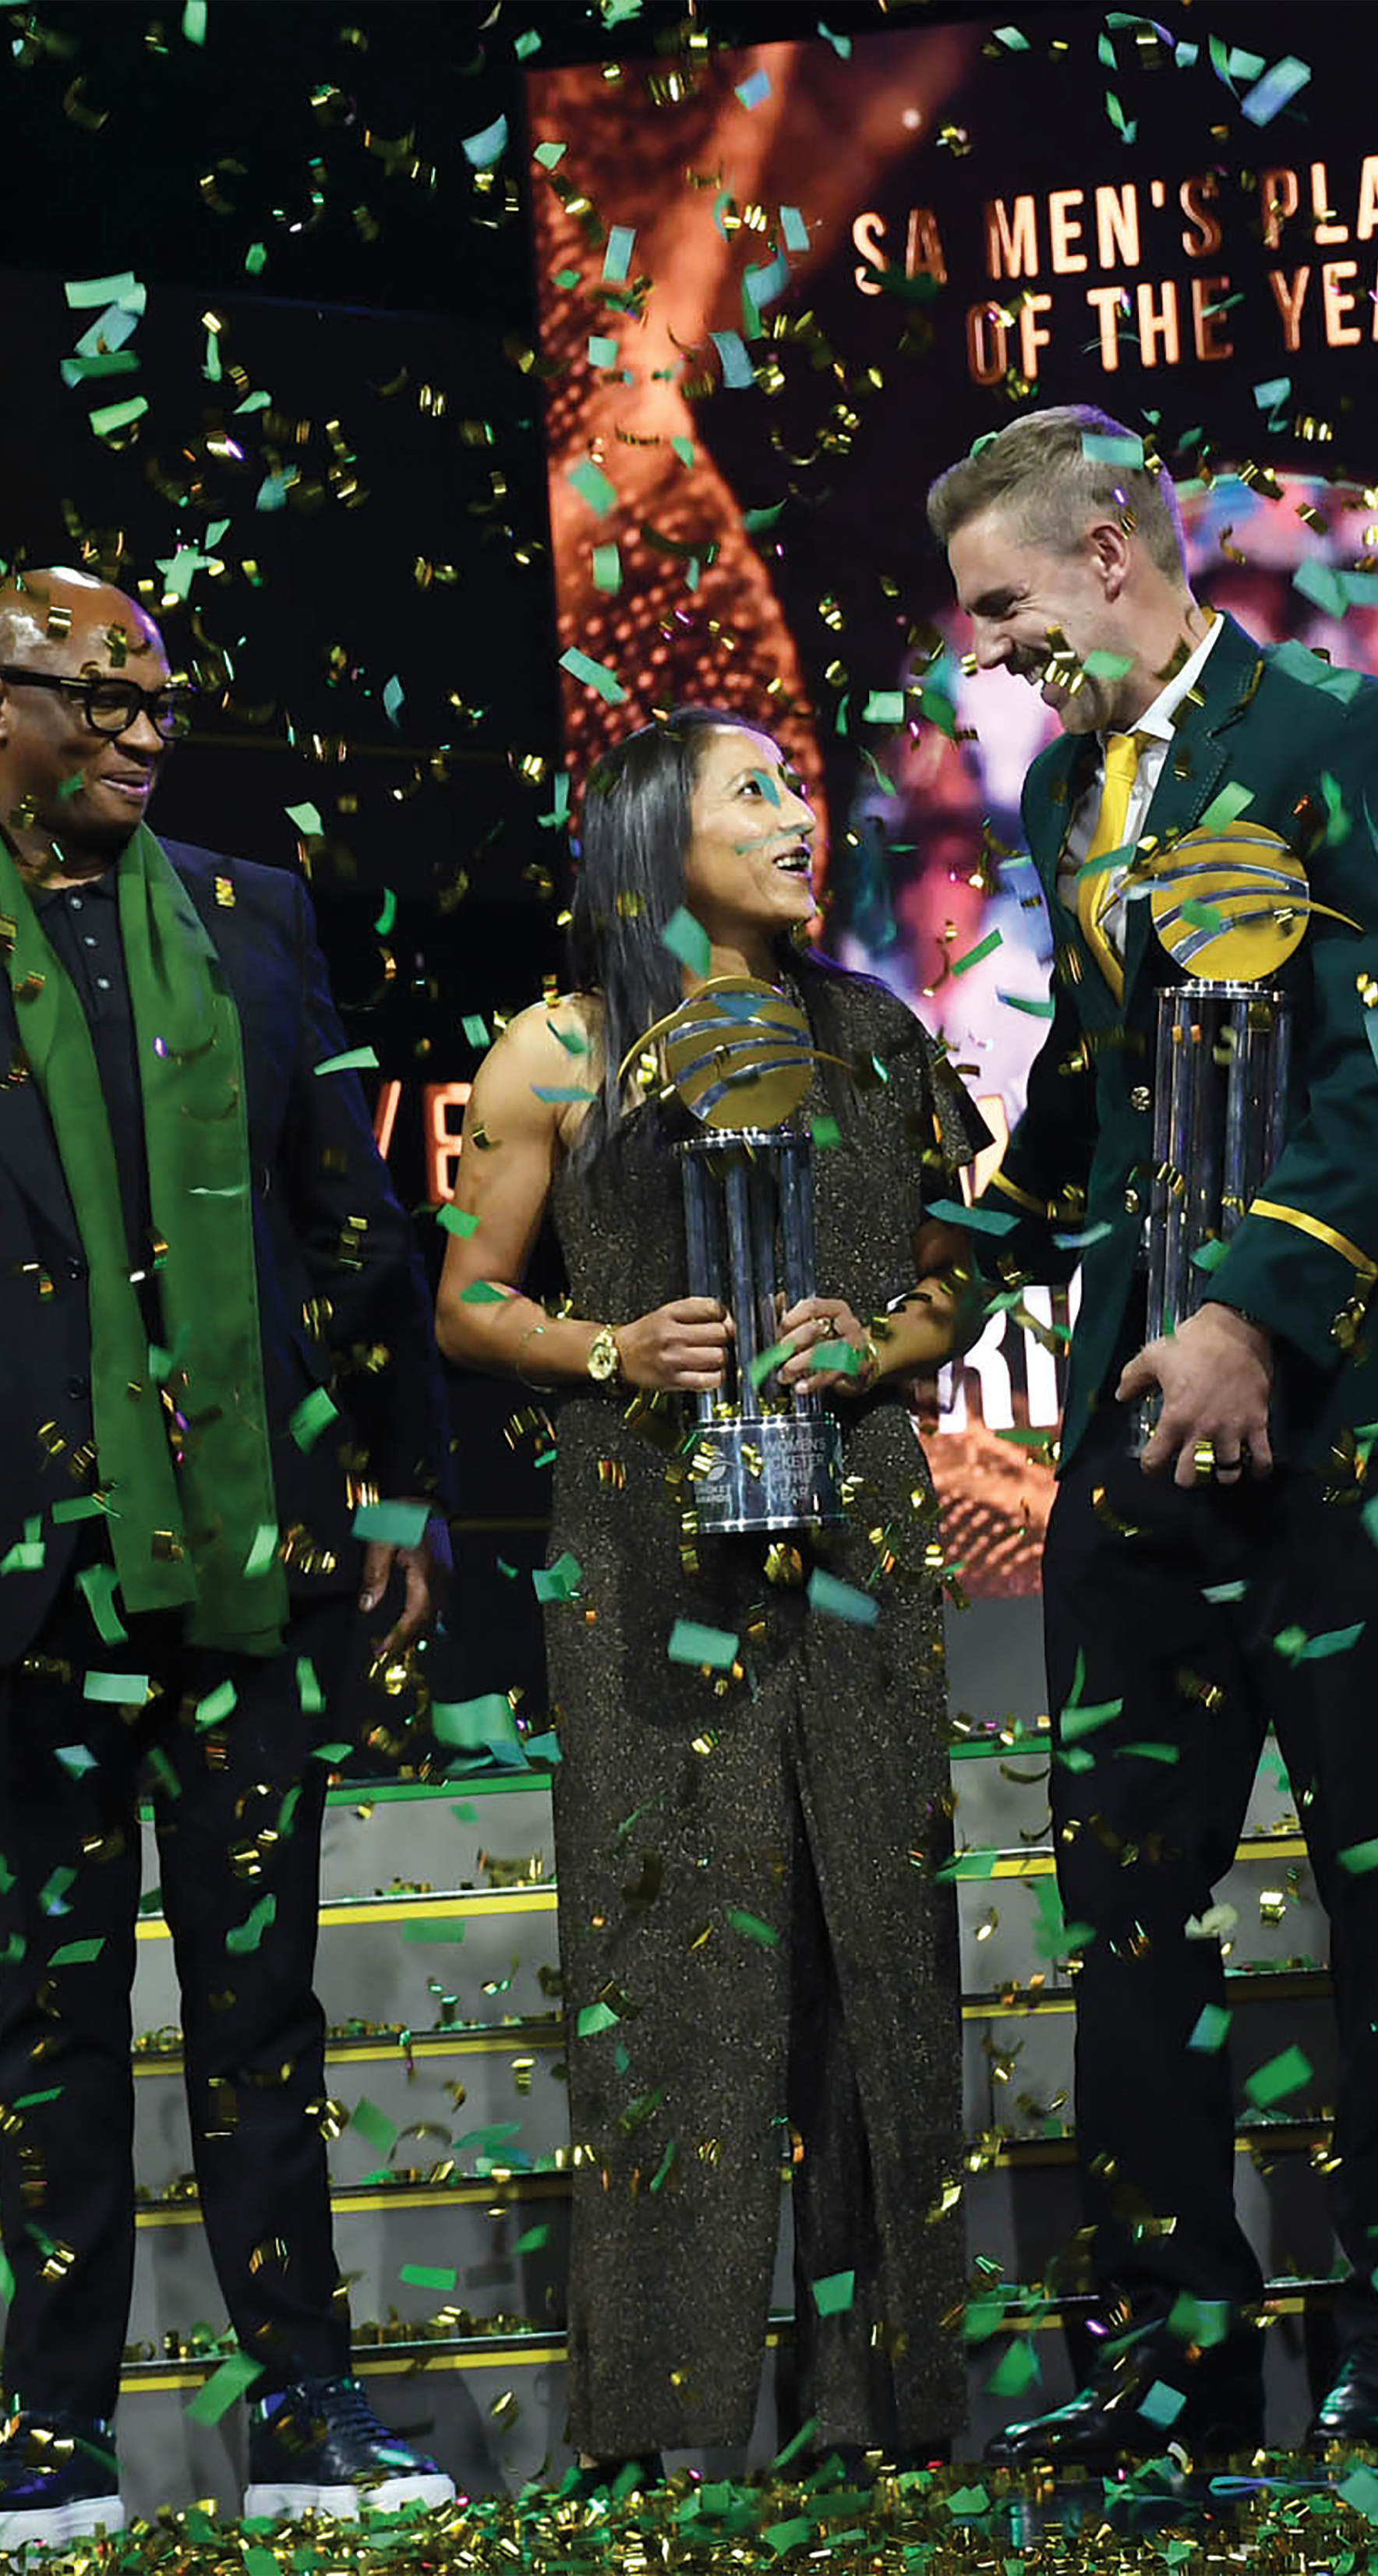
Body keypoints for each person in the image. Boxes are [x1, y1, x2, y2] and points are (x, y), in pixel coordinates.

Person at [0, 569, 454, 2545]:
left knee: (263, 2003)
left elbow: (351, 1216)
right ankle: (53, 2425)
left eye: (163, 702)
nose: (147, 734)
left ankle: (308, 2404)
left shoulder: (253, 914)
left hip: (247, 1553)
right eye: (103, 699)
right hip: (22, 1579)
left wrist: (401, 1474)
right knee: (52, 2009)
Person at [929, 405, 1378, 2462]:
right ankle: (1176, 2344)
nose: (988, 653)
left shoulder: (1346, 737)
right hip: (1134, 1416)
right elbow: (1089, 1091)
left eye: (1001, 605)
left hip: (1350, 1413)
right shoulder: (1069, 788)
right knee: (1124, 1893)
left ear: (1111, 549)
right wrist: (945, 1279)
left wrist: (1248, 1316)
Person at [433, 709, 982, 2482]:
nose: (799, 816)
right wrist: (608, 1347)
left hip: (858, 1542)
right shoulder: (559, 1048)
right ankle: (660, 2428)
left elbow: (958, 1281)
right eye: (755, 792)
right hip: (642, 1548)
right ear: (652, 835)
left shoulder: (876, 1035)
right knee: (671, 1965)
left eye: (797, 787)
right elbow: (468, 1302)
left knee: (876, 1950)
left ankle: (883, 2413)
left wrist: (876, 1340)